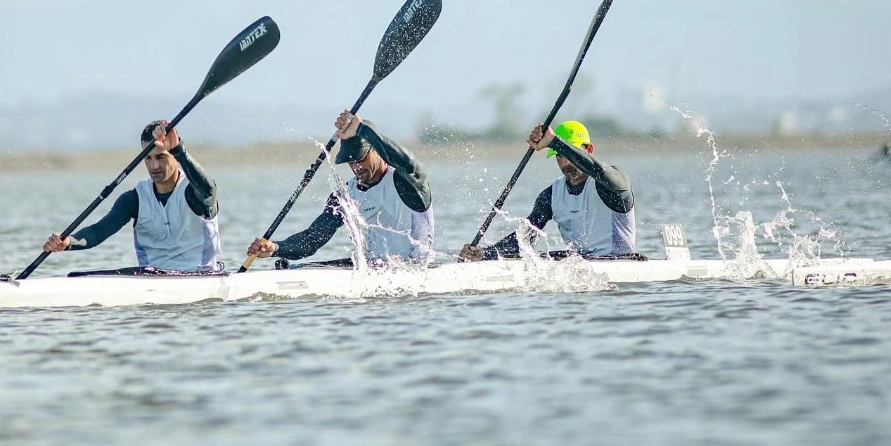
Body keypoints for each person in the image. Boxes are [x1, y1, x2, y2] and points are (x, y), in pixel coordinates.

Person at [247, 111, 434, 266]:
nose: (356, 167)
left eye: (360, 159)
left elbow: (408, 162)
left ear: (377, 151)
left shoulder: (406, 181)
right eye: (350, 161)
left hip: (413, 269)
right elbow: (312, 239)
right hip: (371, 268)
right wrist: (276, 248)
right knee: (288, 267)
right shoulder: (346, 195)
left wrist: (362, 129)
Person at [41, 121, 222, 272]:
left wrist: (179, 150)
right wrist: (68, 242)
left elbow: (209, 191)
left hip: (200, 275)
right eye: (148, 158)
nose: (154, 166)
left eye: (161, 157)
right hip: (151, 276)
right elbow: (99, 231)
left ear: (174, 156)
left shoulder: (194, 192)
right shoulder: (134, 199)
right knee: (77, 275)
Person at [459, 120, 635, 261]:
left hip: (620, 262)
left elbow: (600, 171)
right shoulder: (551, 195)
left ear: (588, 150)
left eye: (568, 154)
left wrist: (555, 142)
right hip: (581, 267)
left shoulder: (612, 184)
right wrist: (484, 254)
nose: (565, 163)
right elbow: (523, 240)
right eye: (559, 155)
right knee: (537, 258)